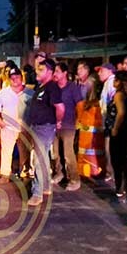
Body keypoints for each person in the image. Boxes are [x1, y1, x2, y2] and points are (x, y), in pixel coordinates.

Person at [27, 60, 65, 206]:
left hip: (44, 127)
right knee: (43, 158)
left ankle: (37, 194)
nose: (37, 71)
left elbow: (60, 107)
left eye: (41, 69)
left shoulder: (51, 88)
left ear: (50, 72)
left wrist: (58, 121)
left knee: (38, 159)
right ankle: (46, 187)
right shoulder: (41, 87)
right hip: (38, 127)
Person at [0, 67, 34, 183]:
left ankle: (24, 171)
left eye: (17, 77)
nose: (15, 80)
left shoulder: (30, 93)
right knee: (6, 151)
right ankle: (5, 173)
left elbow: (38, 110)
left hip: (25, 128)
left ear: (21, 78)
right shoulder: (3, 93)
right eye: (12, 78)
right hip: (8, 128)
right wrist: (2, 124)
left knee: (25, 152)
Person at [105, 71, 127, 203]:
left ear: (118, 81)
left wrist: (115, 129)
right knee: (126, 160)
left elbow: (121, 113)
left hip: (119, 132)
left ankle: (119, 188)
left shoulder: (118, 95)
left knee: (117, 161)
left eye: (115, 79)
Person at [52, 62, 83, 191]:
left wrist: (79, 121)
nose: (55, 74)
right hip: (54, 125)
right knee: (55, 153)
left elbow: (80, 104)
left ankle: (74, 179)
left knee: (68, 153)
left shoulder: (72, 88)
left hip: (68, 125)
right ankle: (58, 173)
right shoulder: (53, 87)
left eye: (57, 71)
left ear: (65, 73)